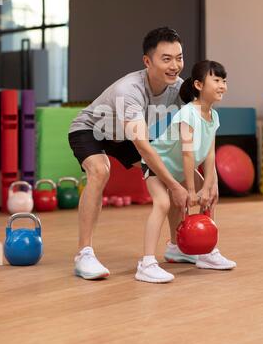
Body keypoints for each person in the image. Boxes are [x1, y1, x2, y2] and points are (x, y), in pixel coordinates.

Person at [68, 27, 189, 279]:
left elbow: (198, 127)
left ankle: (178, 246)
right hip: (91, 129)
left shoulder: (179, 88)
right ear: (147, 61)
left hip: (122, 135)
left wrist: (204, 179)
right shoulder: (129, 90)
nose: (174, 65)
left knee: (173, 170)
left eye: (178, 57)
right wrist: (175, 186)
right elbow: (143, 145)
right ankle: (84, 254)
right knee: (100, 171)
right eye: (166, 59)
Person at [135, 60, 236, 284]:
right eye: (216, 80)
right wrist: (190, 190)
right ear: (199, 85)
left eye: (224, 81)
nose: (222, 85)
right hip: (157, 166)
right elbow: (188, 153)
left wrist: (208, 185)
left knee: (211, 199)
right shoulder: (188, 113)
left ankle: (207, 252)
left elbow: (209, 154)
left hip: (182, 169)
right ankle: (147, 263)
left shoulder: (214, 117)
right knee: (163, 203)